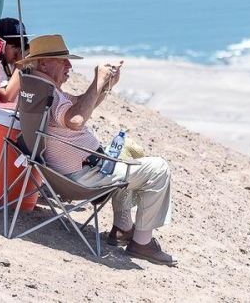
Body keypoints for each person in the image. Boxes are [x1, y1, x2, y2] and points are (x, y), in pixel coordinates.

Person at [16, 35, 177, 266]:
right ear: (43, 63)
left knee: (127, 151)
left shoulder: (36, 90)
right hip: (84, 178)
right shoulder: (50, 96)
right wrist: (97, 80)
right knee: (159, 169)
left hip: (67, 173)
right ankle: (142, 243)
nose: (69, 66)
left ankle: (123, 228)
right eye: (63, 61)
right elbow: (77, 119)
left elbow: (81, 104)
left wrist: (106, 86)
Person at [0, 18, 30, 102]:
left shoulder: (11, 63)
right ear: (1, 45)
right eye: (15, 46)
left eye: (22, 46)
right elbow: (6, 97)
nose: (19, 51)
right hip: (0, 112)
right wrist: (20, 65)